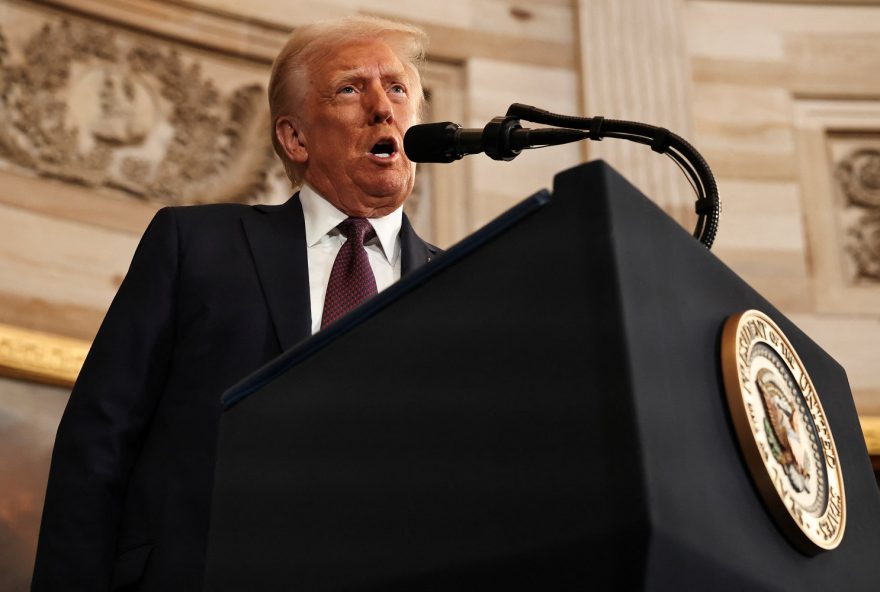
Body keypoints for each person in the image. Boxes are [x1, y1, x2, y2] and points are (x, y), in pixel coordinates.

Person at [32, 16, 439, 591]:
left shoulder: (460, 284)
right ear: (294, 137)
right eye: (350, 88)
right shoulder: (194, 246)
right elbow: (98, 441)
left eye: (397, 88)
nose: (382, 108)